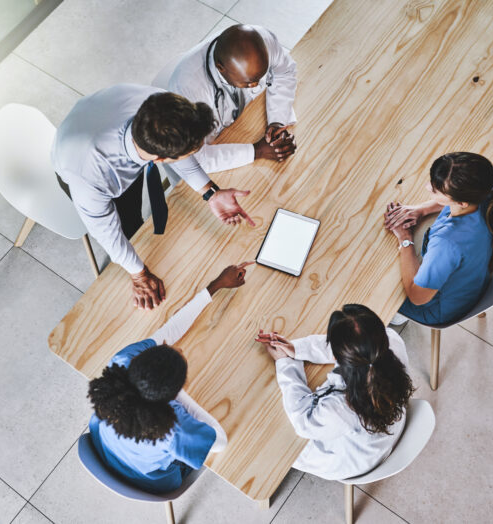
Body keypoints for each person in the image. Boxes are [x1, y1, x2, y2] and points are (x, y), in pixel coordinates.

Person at [53, 84, 255, 311]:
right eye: (188, 153)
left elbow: (179, 149)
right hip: (75, 160)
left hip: (101, 124)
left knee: (134, 216)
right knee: (124, 226)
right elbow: (105, 232)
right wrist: (139, 275)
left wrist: (210, 193)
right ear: (159, 158)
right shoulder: (90, 176)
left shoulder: (159, 108)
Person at [87, 262, 253, 493]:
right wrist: (179, 397)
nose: (179, 349)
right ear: (173, 394)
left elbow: (168, 331)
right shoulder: (173, 429)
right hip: (147, 479)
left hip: (100, 445)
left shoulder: (122, 361)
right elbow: (220, 441)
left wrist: (214, 287)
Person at [256, 304, 414, 480]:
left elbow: (303, 419)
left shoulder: (341, 408)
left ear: (337, 357)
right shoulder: (390, 341)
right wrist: (297, 349)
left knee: (266, 438)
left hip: (356, 460)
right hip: (384, 432)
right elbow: (349, 346)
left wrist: (286, 363)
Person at [383, 152, 493, 325]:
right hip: (471, 283)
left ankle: (397, 317)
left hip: (437, 308)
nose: (427, 187)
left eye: (436, 189)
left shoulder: (447, 243)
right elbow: (456, 197)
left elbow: (417, 297)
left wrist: (405, 239)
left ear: (460, 203)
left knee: (371, 288)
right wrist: (421, 210)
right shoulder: (485, 184)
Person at [168, 24, 298, 174]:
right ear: (220, 67)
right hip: (205, 155)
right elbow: (194, 159)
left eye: (259, 77)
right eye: (248, 82)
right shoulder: (188, 90)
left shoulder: (264, 41)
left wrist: (277, 121)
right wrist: (257, 151)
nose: (255, 84)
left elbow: (285, 72)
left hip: (244, 123)